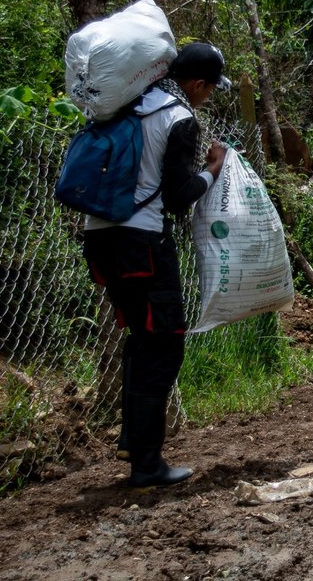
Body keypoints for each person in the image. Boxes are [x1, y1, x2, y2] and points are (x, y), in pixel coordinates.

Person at [82, 42, 229, 488]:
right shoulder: (178, 117)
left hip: (99, 238)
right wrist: (213, 170)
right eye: (209, 90)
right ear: (197, 84)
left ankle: (134, 440)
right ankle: (146, 462)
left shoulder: (125, 105)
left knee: (142, 340)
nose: (207, 97)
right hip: (142, 242)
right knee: (163, 343)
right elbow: (178, 196)